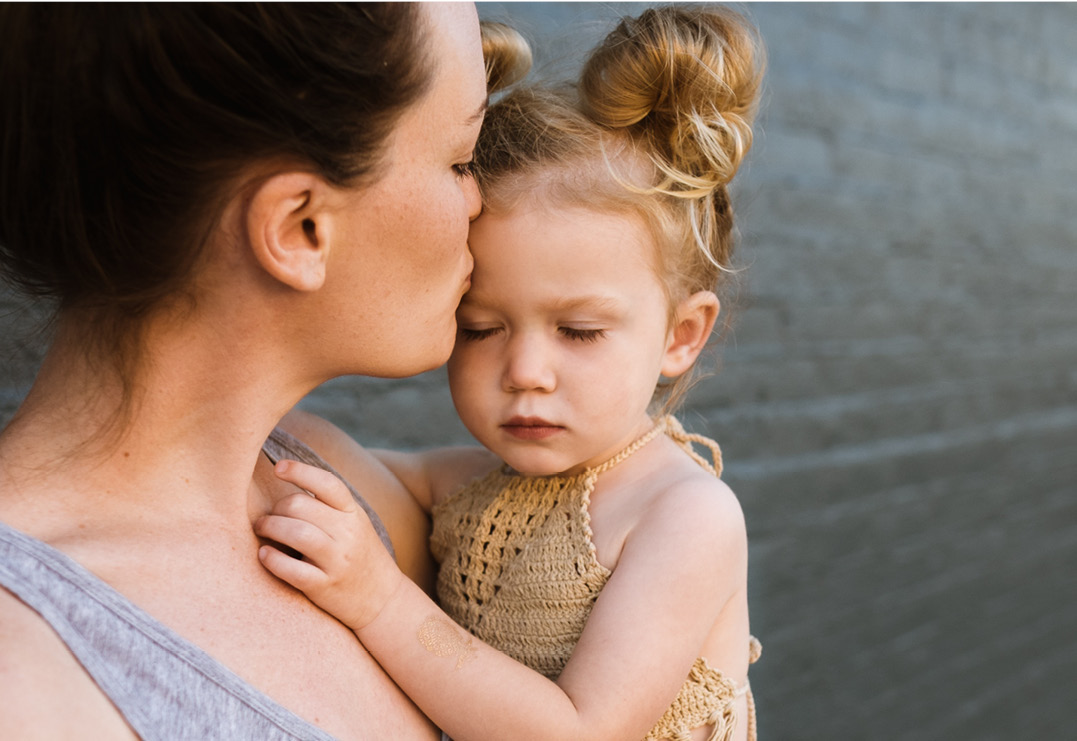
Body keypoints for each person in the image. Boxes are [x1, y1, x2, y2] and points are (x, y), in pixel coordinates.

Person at [255, 6, 766, 741]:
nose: (525, 371)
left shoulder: (683, 515)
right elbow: (328, 459)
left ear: (680, 336)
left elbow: (578, 731)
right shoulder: (469, 487)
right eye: (481, 327)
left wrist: (377, 600)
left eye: (578, 331)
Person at [0, 3, 505, 738]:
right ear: (300, 227)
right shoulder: (26, 677)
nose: (479, 200)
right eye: (459, 160)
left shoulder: (333, 485)